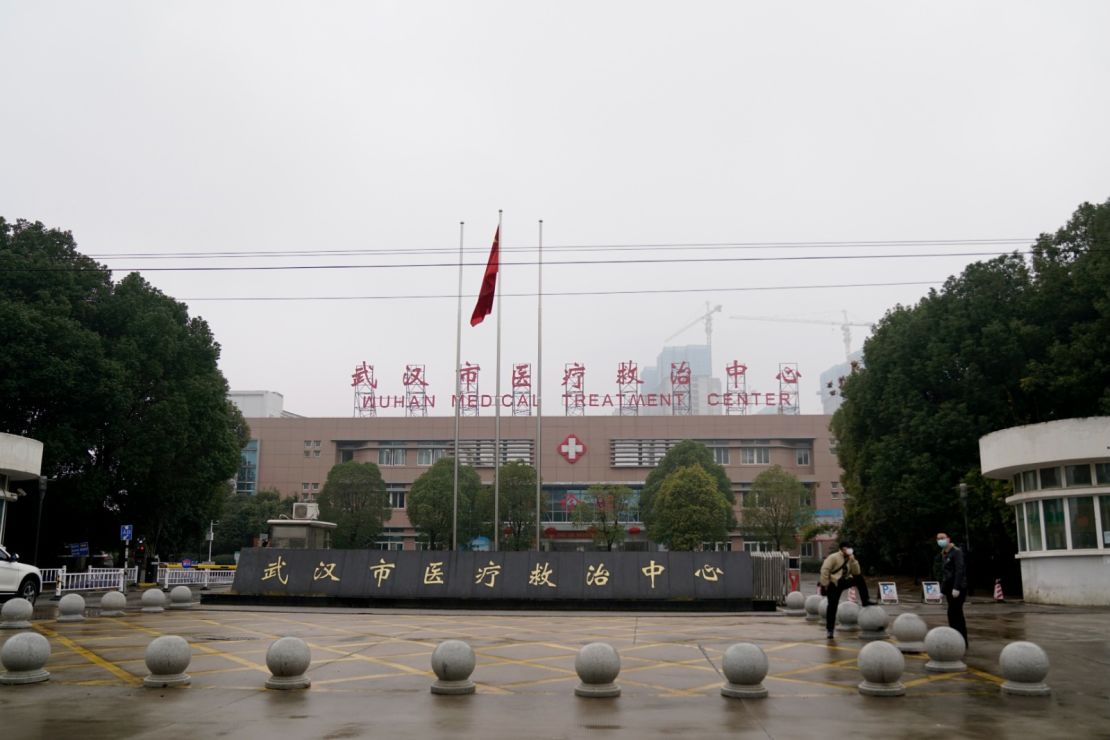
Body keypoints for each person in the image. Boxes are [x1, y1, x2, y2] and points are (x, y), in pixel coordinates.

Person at [819, 541, 872, 639]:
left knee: (859, 578)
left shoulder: (850, 558)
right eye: (847, 548)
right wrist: (825, 584)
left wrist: (853, 561)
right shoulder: (833, 557)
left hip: (844, 581)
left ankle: (865, 600)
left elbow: (856, 572)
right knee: (832, 606)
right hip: (833, 583)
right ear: (842, 549)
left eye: (850, 548)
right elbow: (824, 570)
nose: (849, 550)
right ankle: (830, 630)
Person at [937, 532, 968, 645]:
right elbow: (946, 575)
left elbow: (960, 570)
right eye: (938, 539)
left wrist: (956, 587)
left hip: (958, 588)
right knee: (951, 613)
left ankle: (963, 640)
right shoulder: (944, 553)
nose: (940, 540)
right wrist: (942, 590)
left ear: (948, 539)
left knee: (957, 613)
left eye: (943, 538)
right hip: (949, 588)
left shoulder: (956, 552)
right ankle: (955, 638)